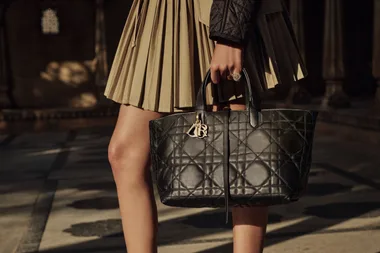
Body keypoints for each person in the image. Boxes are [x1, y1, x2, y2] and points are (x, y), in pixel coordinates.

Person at [104, 0, 306, 252]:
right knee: (123, 154)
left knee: (245, 154)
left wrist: (229, 35)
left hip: (215, 12)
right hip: (160, 13)